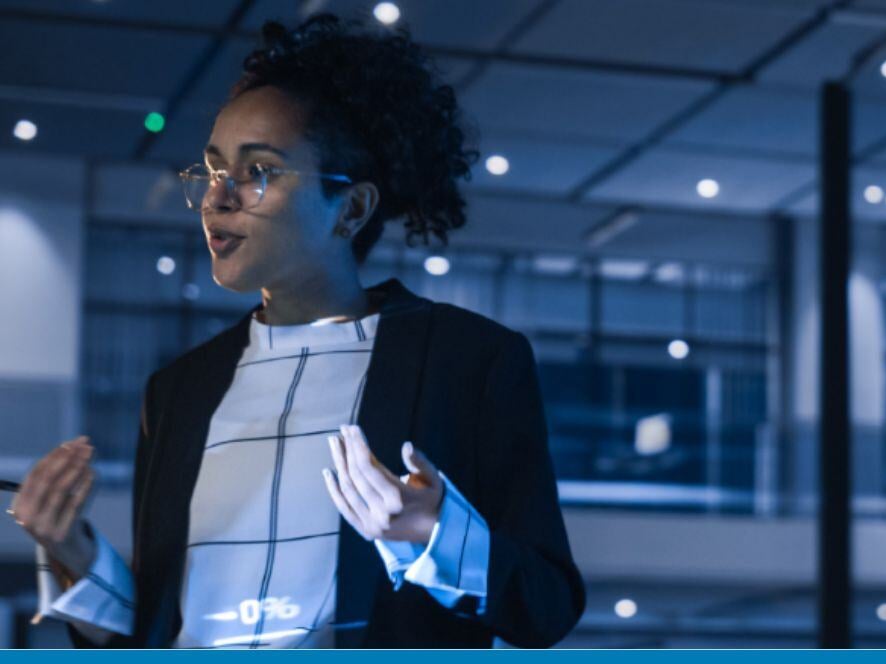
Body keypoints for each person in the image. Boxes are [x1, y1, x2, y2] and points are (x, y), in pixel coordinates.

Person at [5, 13, 585, 649]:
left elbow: (545, 606)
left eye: (258, 172)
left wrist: (438, 535)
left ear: (351, 208)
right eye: (213, 168)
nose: (215, 199)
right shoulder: (178, 391)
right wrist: (69, 547)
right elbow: (153, 633)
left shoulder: (469, 361)